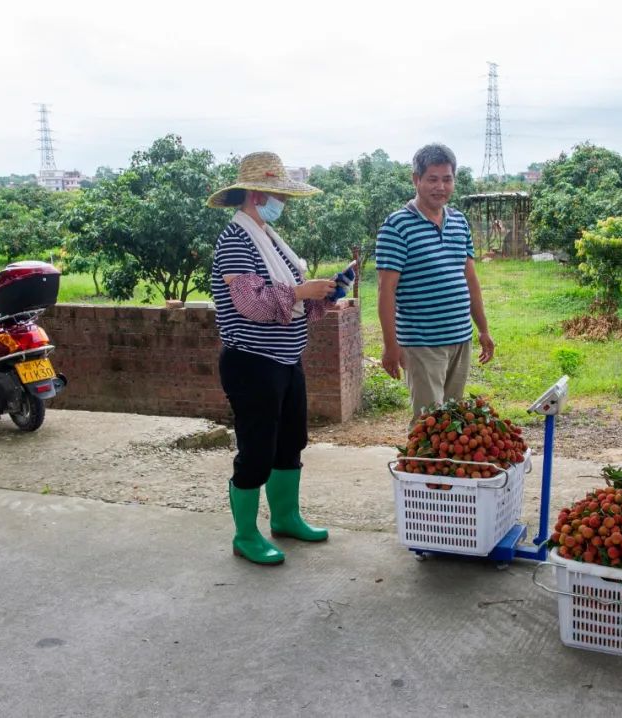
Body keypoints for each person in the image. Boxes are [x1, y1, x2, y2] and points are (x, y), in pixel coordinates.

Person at [207, 152, 350, 566]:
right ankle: (246, 534)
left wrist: (325, 294)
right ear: (255, 194)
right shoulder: (236, 240)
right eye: (277, 195)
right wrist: (305, 293)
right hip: (251, 362)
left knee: (291, 441)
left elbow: (291, 299)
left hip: (286, 359)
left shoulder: (268, 237)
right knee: (257, 449)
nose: (281, 203)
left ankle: (285, 517)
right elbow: (250, 304)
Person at [375, 143, 494, 423]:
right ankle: (418, 467)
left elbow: (470, 279)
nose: (440, 186)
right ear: (416, 179)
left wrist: (483, 329)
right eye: (432, 179)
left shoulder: (459, 222)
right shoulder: (397, 227)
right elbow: (386, 291)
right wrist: (390, 346)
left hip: (460, 339)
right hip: (422, 345)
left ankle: (442, 468)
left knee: (452, 423)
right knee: (428, 424)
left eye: (447, 179)